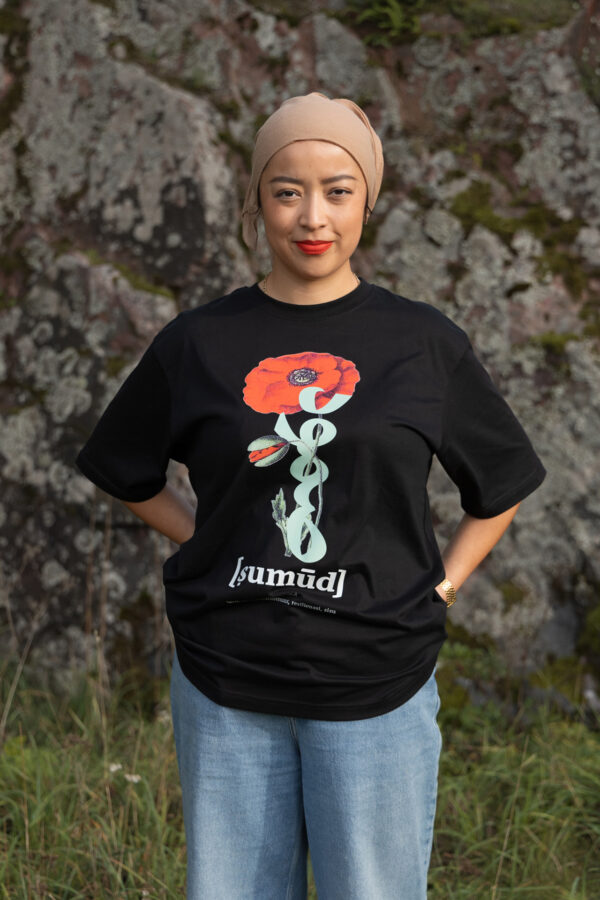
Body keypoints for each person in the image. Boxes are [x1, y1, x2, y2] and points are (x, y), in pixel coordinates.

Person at [75, 92, 546, 900]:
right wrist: (203, 539)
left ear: (368, 199)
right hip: (227, 681)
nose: (312, 216)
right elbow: (125, 468)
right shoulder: (201, 341)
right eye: (287, 190)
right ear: (257, 202)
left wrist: (447, 583)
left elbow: (499, 485)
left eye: (337, 189)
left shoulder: (422, 342)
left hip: (376, 683)